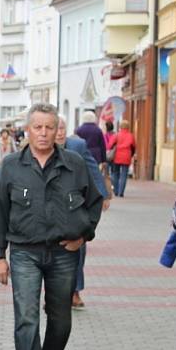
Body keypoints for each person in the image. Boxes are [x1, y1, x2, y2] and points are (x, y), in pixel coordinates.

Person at [0, 104, 103, 350]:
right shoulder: (13, 165)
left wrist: (84, 235)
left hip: (64, 252)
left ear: (58, 131)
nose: (43, 133)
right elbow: (0, 210)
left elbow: (95, 201)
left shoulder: (75, 163)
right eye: (37, 127)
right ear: (28, 130)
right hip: (25, 251)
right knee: (26, 318)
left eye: (49, 127)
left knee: (61, 320)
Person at [55, 115, 110, 309]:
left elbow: (92, 168)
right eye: (57, 128)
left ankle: (75, 291)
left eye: (63, 128)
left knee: (78, 248)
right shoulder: (39, 147)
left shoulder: (77, 146)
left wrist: (103, 194)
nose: (60, 132)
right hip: (51, 208)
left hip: (75, 204)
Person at [111, 120, 136, 198]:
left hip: (117, 157)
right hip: (126, 157)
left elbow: (110, 145)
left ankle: (116, 190)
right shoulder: (131, 136)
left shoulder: (116, 135)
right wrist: (131, 154)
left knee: (115, 173)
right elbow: (134, 147)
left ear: (120, 127)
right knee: (124, 174)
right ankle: (121, 192)